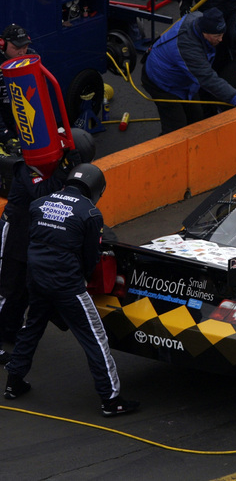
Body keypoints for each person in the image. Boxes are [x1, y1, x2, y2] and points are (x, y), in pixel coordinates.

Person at [4, 163, 140, 417]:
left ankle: (13, 382)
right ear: (96, 187)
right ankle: (111, 400)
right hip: (67, 285)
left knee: (31, 327)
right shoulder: (89, 213)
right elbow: (90, 258)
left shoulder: (39, 203)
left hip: (36, 279)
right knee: (96, 337)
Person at [0, 129, 95, 364]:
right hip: (13, 232)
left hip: (31, 234)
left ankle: (8, 331)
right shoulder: (30, 165)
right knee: (6, 290)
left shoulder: (57, 171)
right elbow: (41, 194)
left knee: (23, 290)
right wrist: (64, 171)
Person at [141, 7, 236, 136]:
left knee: (196, 118)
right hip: (162, 83)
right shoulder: (189, 49)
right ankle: (166, 151)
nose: (220, 39)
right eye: (216, 36)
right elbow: (208, 79)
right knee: (175, 129)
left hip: (182, 80)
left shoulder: (197, 17)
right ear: (204, 33)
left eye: (222, 34)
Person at [0, 24, 34, 152]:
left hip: (25, 120)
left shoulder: (31, 57)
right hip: (4, 123)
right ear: (2, 45)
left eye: (25, 47)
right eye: (16, 48)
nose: (22, 52)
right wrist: (5, 135)